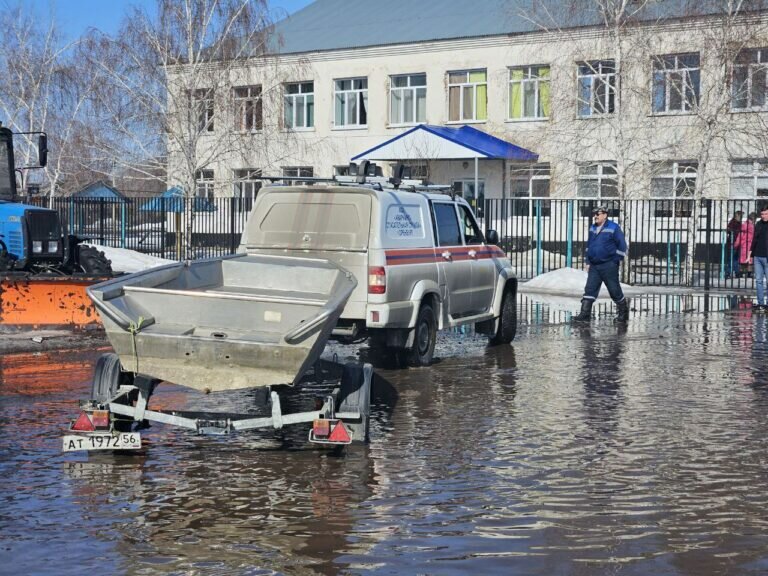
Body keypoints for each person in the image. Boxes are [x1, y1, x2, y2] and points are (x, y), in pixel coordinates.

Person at [574, 206, 629, 322]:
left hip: (609, 265)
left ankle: (623, 313)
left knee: (614, 290)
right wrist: (588, 261)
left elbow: (622, 245)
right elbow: (589, 245)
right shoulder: (593, 228)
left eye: (597, 214)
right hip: (594, 265)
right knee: (590, 289)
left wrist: (615, 260)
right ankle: (584, 314)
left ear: (605, 215)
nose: (595, 216)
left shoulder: (614, 227)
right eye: (594, 214)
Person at [749, 205, 768, 310]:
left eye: (766, 214)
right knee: (759, 281)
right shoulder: (759, 224)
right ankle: (761, 303)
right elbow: (754, 239)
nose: (764, 216)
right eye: (762, 214)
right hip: (758, 256)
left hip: (767, 257)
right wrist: (751, 254)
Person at [735, 212, 756, 277]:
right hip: (749, 244)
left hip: (744, 244)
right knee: (749, 259)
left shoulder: (745, 224)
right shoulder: (750, 225)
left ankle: (742, 272)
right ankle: (748, 273)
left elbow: (740, 235)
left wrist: (737, 244)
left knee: (743, 259)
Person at [726, 210, 743, 278]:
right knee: (731, 258)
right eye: (740, 216)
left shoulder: (738, 223)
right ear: (737, 216)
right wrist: (733, 231)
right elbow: (728, 230)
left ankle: (737, 272)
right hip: (732, 242)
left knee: (735, 258)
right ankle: (728, 272)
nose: (741, 218)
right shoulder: (733, 222)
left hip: (737, 242)